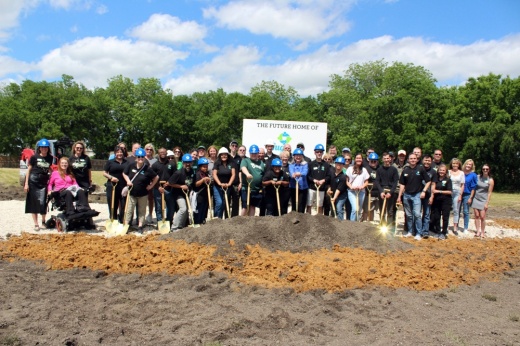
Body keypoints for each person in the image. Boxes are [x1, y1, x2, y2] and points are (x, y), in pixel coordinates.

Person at [123, 148, 158, 234]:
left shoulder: (147, 168)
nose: (140, 158)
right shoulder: (131, 165)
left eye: (142, 157)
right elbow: (124, 173)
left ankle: (140, 226)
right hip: (132, 193)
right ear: (136, 157)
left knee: (142, 210)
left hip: (143, 194)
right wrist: (128, 181)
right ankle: (126, 225)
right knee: (129, 210)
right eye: (139, 157)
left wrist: (151, 186)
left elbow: (156, 177)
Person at [397, 153, 431, 240]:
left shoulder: (421, 169)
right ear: (408, 160)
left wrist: (424, 191)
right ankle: (410, 231)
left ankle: (418, 233)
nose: (412, 160)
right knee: (408, 215)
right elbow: (402, 184)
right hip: (407, 195)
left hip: (417, 195)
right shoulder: (405, 170)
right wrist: (399, 196)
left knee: (417, 214)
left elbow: (428, 181)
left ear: (417, 160)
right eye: (411, 158)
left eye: (414, 158)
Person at [25, 138, 54, 230]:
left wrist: (53, 174)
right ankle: (36, 224)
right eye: (42, 147)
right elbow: (29, 170)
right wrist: (26, 184)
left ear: (48, 148)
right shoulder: (34, 157)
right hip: (33, 180)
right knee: (34, 202)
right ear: (39, 148)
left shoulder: (50, 157)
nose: (44, 149)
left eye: (46, 147)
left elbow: (49, 167)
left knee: (43, 202)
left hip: (44, 181)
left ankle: (43, 221)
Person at [167, 154, 196, 231]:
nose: (187, 164)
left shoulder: (192, 171)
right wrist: (181, 186)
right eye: (186, 162)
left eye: (189, 162)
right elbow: (169, 183)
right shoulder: (178, 173)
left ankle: (181, 226)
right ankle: (174, 227)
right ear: (183, 163)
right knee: (183, 209)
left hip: (187, 194)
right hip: (178, 194)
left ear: (192, 163)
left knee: (186, 210)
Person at [374, 152, 399, 232]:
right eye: (385, 159)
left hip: (391, 192)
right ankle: (382, 226)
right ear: (382, 160)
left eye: (388, 158)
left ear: (390, 159)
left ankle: (390, 229)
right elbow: (377, 181)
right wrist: (381, 191)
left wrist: (390, 192)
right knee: (382, 210)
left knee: (390, 211)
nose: (386, 160)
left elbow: (395, 182)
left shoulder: (394, 170)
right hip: (382, 191)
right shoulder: (379, 170)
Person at [151, 148, 177, 225]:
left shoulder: (171, 164)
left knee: (170, 206)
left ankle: (169, 221)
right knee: (158, 207)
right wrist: (158, 187)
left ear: (166, 153)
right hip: (158, 189)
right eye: (161, 152)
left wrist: (169, 183)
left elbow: (175, 175)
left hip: (169, 188)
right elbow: (152, 178)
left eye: (164, 152)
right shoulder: (155, 165)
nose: (163, 153)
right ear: (158, 154)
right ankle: (160, 222)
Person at [103, 145, 128, 224]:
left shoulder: (127, 162)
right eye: (117, 152)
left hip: (123, 186)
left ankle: (122, 220)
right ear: (115, 153)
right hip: (112, 186)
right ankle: (113, 220)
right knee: (113, 204)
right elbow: (104, 173)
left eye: (121, 152)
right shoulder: (110, 162)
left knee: (124, 204)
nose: (119, 154)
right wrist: (111, 177)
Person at [469, 164, 494, 238]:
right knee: (476, 215)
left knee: (482, 217)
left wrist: (487, 203)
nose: (485, 170)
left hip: (483, 199)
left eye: (487, 169)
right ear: (482, 170)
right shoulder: (477, 177)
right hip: (476, 198)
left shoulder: (490, 180)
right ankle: (478, 231)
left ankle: (483, 232)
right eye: (484, 169)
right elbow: (473, 186)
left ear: (489, 170)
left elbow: (489, 193)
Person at [240, 145, 265, 216]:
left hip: (256, 189)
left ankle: (250, 222)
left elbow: (263, 174)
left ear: (258, 153)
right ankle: (240, 221)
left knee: (252, 206)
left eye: (255, 153)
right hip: (247, 188)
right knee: (245, 206)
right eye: (252, 153)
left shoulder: (261, 163)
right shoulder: (245, 160)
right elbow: (243, 168)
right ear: (249, 153)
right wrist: (247, 174)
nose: (253, 155)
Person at [429, 164, 452, 240]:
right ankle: (438, 231)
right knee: (437, 216)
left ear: (446, 172)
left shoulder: (448, 180)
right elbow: (433, 189)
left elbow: (450, 191)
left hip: (446, 201)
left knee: (445, 217)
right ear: (438, 171)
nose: (441, 172)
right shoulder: (436, 180)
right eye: (440, 170)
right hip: (437, 200)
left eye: (443, 170)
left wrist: (439, 191)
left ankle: (444, 232)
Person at [212, 147, 236, 219]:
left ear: (228, 155)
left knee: (224, 203)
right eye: (222, 155)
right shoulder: (217, 163)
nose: (224, 156)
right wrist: (219, 183)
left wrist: (229, 183)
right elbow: (214, 174)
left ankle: (222, 220)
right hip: (217, 186)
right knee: (219, 203)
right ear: (219, 155)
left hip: (227, 186)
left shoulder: (231, 163)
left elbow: (233, 174)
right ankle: (216, 218)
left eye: (225, 154)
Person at [306, 144, 330, 215]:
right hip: (312, 187)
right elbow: (308, 176)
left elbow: (328, 176)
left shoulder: (326, 165)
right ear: (315, 152)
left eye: (321, 152)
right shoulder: (310, 164)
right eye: (317, 152)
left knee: (320, 205)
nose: (319, 153)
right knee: (309, 204)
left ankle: (319, 221)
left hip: (321, 188)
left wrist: (323, 180)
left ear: (322, 153)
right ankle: (308, 219)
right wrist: (314, 180)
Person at [346, 153, 370, 221]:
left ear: (362, 160)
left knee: (359, 210)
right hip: (352, 192)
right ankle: (352, 225)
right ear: (355, 159)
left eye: (360, 158)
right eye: (357, 158)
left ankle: (357, 224)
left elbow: (366, 182)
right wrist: (351, 187)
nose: (358, 159)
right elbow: (347, 181)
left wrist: (362, 186)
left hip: (361, 192)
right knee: (355, 209)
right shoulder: (350, 169)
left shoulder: (364, 170)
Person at [421, 154, 437, 236]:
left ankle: (425, 231)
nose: (427, 162)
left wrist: (432, 196)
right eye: (425, 160)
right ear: (422, 160)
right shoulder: (418, 168)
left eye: (429, 161)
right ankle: (417, 230)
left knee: (426, 214)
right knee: (416, 213)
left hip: (428, 195)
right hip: (418, 194)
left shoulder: (433, 172)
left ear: (431, 162)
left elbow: (433, 184)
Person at [289, 148, 309, 213]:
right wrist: (293, 175)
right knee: (294, 204)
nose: (298, 157)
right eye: (296, 155)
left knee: (301, 205)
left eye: (300, 155)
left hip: (302, 187)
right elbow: (291, 172)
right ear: (294, 156)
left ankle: (301, 220)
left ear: (302, 156)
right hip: (293, 187)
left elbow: (305, 172)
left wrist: (299, 174)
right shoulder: (291, 165)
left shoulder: (305, 164)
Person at [448, 158, 465, 235]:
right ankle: (446, 225)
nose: (455, 165)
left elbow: (462, 185)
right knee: (447, 209)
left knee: (456, 210)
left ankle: (455, 226)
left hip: (457, 192)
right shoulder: (448, 172)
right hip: (449, 192)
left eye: (456, 164)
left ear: (459, 165)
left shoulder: (461, 173)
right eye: (453, 163)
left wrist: (460, 195)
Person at [461, 159, 478, 234]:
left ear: (472, 166)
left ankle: (465, 228)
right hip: (459, 194)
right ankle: (456, 226)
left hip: (467, 194)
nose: (468, 166)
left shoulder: (473, 175)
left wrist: (470, 197)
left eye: (470, 164)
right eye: (467, 164)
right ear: (465, 164)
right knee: (457, 210)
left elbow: (473, 187)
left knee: (466, 211)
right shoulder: (461, 173)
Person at [193, 157, 211, 225]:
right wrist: (203, 180)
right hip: (199, 195)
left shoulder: (206, 174)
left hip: (206, 195)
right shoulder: (197, 174)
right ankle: (197, 222)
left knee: (204, 209)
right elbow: (196, 184)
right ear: (200, 167)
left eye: (206, 166)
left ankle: (203, 220)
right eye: (204, 167)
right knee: (199, 209)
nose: (205, 168)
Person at [362, 152, 379, 221]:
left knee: (375, 212)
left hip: (378, 193)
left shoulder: (380, 169)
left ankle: (371, 224)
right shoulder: (365, 169)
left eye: (375, 161)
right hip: (368, 193)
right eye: (371, 161)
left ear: (377, 161)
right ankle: (365, 223)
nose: (373, 162)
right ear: (369, 160)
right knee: (366, 210)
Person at [231, 144, 246, 217]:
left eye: (243, 150)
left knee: (237, 202)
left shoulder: (244, 159)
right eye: (240, 150)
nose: (242, 151)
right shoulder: (230, 157)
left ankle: (235, 218)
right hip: (229, 182)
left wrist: (240, 182)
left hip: (239, 183)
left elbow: (240, 172)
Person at [144, 143, 157, 224]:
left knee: (151, 199)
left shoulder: (155, 160)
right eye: (147, 149)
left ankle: (150, 214)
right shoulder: (141, 158)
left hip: (151, 182)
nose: (149, 151)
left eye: (150, 149)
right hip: (142, 181)